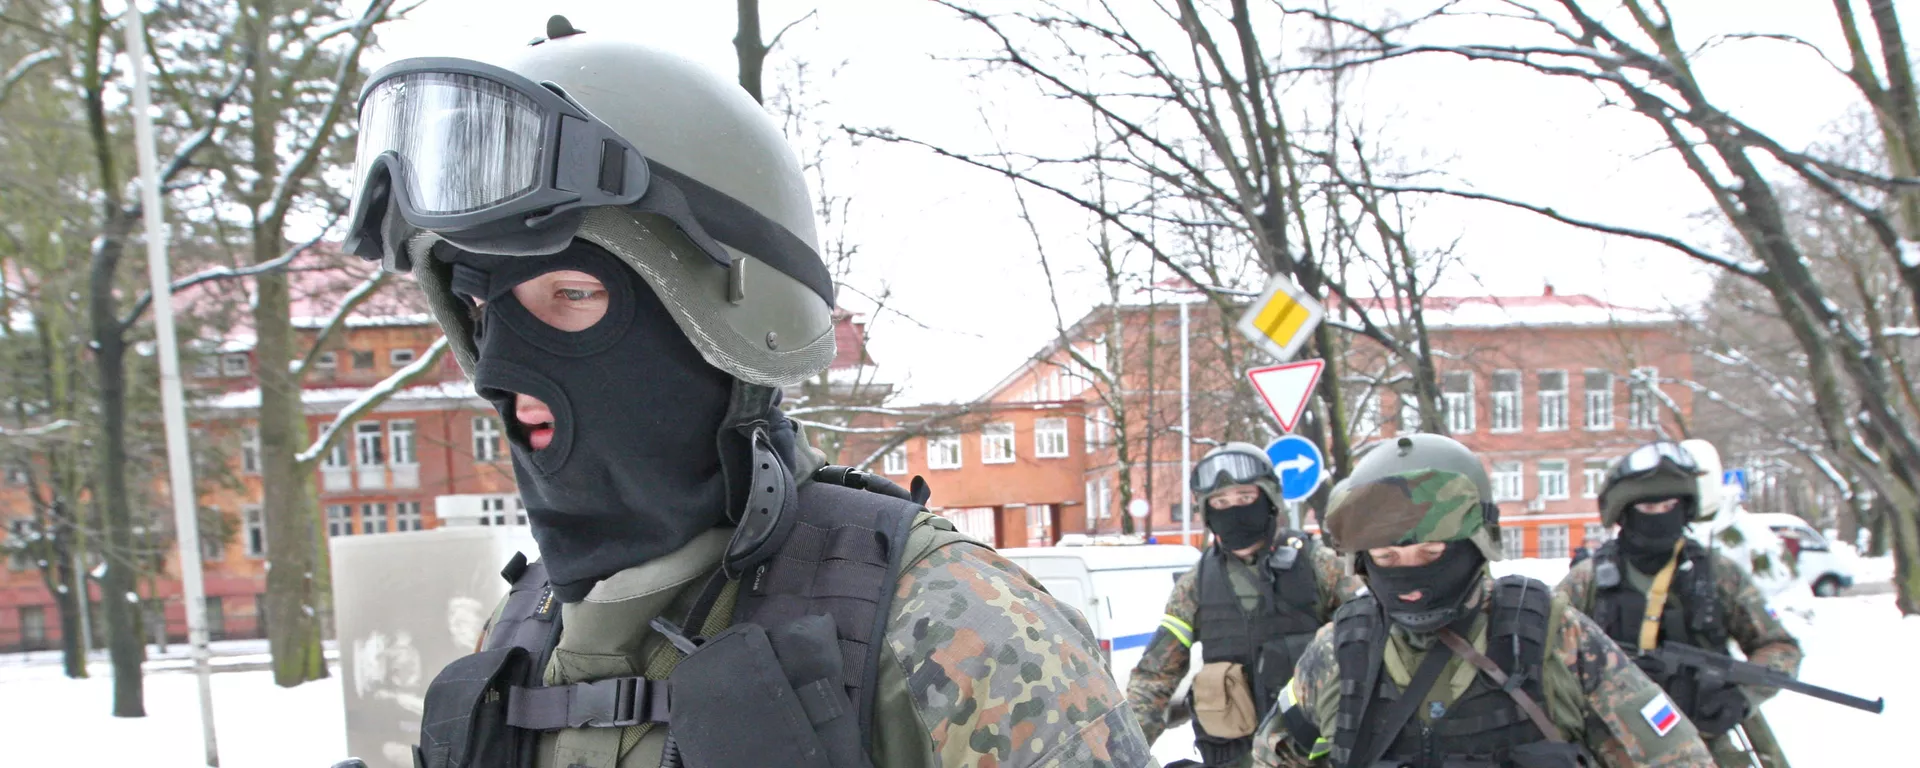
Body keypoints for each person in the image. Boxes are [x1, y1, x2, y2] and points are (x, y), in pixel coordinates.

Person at [343, 16, 1151, 767]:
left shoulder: (944, 623)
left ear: (720, 313)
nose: (499, 370)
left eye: (570, 295)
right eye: (484, 313)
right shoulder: (517, 637)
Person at [1250, 434, 1715, 768]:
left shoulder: (1555, 636)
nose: (1410, 573)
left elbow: (1675, 757)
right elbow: (1275, 751)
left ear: (1477, 543)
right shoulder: (1338, 650)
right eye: (1387, 556)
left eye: (1432, 552)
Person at [1555, 441, 1803, 768]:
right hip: (1613, 746)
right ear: (1624, 512)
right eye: (1647, 509)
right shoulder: (1587, 581)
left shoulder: (1717, 575)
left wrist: (1739, 696)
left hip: (1705, 742)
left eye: (1668, 506)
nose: (1659, 517)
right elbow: (1546, 655)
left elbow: (1780, 647)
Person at [1126, 443, 1364, 766]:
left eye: (1244, 498)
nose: (1233, 510)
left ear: (1268, 499)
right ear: (1207, 512)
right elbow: (1154, 678)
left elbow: (1371, 640)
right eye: (1221, 502)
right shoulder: (1194, 586)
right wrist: (1118, 750)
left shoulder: (1319, 565)